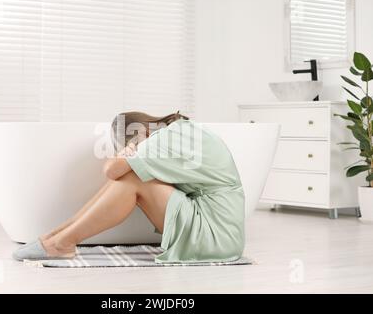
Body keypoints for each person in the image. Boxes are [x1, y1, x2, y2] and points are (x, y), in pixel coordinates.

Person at [13, 111, 245, 263]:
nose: (134, 148)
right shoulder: (180, 132)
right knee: (132, 174)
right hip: (217, 227)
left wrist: (127, 155)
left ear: (141, 133)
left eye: (132, 144)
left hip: (216, 234)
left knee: (132, 177)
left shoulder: (169, 136)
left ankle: (61, 242)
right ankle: (57, 237)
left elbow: (111, 170)